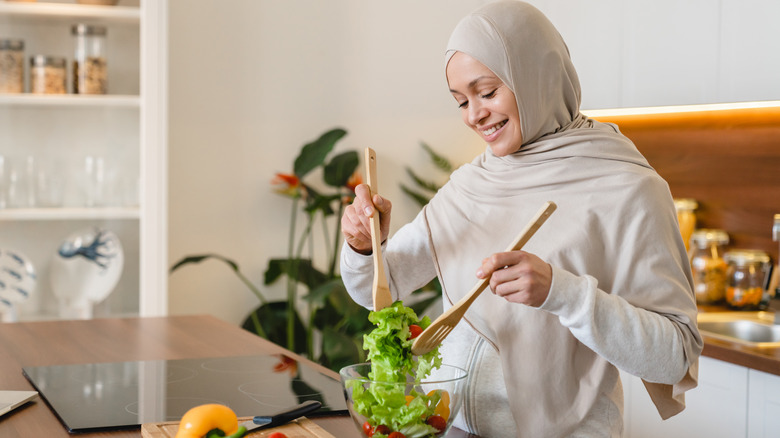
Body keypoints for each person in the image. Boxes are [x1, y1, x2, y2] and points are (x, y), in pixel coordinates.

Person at [339, 1, 702, 436]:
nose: (474, 115)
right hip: (451, 428)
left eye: (487, 92)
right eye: (460, 101)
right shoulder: (471, 183)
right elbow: (375, 291)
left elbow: (675, 355)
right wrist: (365, 246)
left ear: (536, 76)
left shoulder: (626, 188)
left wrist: (562, 293)